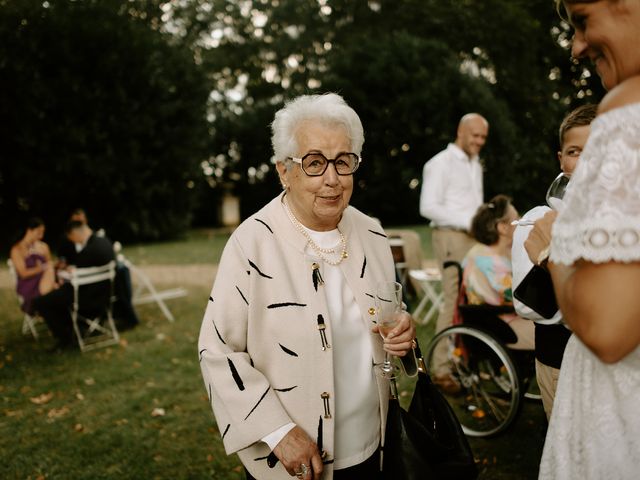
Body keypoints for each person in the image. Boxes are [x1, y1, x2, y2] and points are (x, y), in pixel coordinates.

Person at [198, 93, 416, 480]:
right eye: (314, 163)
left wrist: (403, 334)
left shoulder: (372, 233)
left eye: (343, 162)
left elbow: (388, 316)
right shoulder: (252, 244)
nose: (332, 179)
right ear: (285, 171)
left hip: (372, 447)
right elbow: (217, 352)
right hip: (294, 464)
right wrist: (278, 432)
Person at [526, 1, 640, 478]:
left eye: (582, 20)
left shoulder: (629, 108)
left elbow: (610, 330)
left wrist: (552, 252)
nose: (575, 46)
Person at [511, 104, 597, 419]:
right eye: (575, 151)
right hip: (561, 362)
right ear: (561, 159)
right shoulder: (538, 221)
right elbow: (528, 308)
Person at [419, 113, 488, 386]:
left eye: (483, 137)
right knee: (452, 300)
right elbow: (428, 207)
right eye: (475, 135)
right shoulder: (439, 163)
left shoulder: (475, 164)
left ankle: (463, 359)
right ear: (461, 132)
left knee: (473, 300)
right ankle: (441, 369)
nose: (480, 141)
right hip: (450, 236)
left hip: (473, 237)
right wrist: (468, 221)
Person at [462, 195, 534, 351]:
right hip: (501, 323)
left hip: (503, 317)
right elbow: (516, 296)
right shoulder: (489, 261)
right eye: (516, 218)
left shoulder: (494, 252)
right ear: (503, 227)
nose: (521, 220)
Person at [33, 220, 116, 347]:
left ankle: (66, 338)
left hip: (85, 298)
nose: (73, 242)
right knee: (57, 296)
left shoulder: (88, 250)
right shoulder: (105, 242)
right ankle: (77, 330)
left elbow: (75, 273)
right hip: (105, 297)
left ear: (75, 233)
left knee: (41, 302)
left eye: (72, 238)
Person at [9, 217, 58, 314]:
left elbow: (50, 264)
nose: (41, 236)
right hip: (29, 285)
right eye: (39, 232)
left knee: (58, 275)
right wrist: (41, 268)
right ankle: (43, 304)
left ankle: (51, 302)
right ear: (29, 230)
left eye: (43, 233)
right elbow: (23, 274)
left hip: (46, 281)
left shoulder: (43, 246)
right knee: (52, 274)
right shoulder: (17, 249)